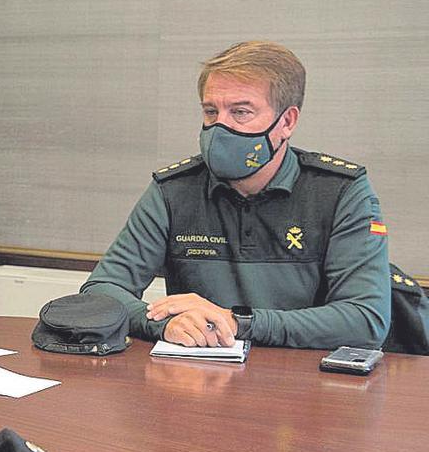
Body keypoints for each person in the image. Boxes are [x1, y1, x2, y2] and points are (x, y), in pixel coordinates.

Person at [82, 41, 390, 349]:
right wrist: (163, 323)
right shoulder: (173, 191)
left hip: (305, 384)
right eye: (210, 111)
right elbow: (100, 292)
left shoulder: (340, 191)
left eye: (240, 112)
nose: (220, 127)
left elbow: (365, 320)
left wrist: (237, 322)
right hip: (199, 383)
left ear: (287, 122)